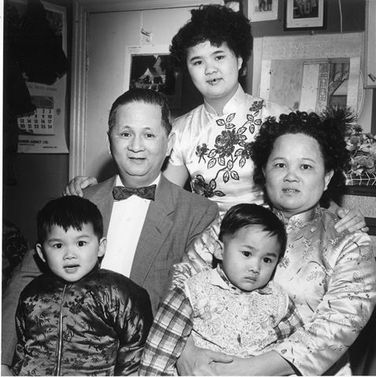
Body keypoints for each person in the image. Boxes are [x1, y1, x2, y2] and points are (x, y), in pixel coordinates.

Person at [65, 4, 366, 233]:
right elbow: (159, 197)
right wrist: (94, 191)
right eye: (198, 61)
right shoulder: (180, 130)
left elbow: (308, 178)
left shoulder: (277, 117)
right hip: (206, 243)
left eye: (219, 57)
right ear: (187, 69)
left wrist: (340, 211)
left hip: (273, 241)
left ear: (239, 60)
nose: (210, 69)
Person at [1, 88, 219, 374]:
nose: (136, 146)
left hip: (146, 362)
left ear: (170, 143)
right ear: (109, 141)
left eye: (149, 135)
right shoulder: (82, 200)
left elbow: (195, 300)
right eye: (125, 134)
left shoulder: (199, 212)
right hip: (68, 357)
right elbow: (28, 276)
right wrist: (3, 359)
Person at [148, 111, 376, 376]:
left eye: (306, 166)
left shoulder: (348, 241)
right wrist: (186, 352)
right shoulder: (234, 223)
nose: (291, 176)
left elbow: (338, 326)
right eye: (280, 165)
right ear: (263, 171)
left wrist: (248, 370)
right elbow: (181, 279)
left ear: (327, 178)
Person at [139, 203, 304, 375]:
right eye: (247, 254)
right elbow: (158, 356)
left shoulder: (279, 300)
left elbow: (298, 350)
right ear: (219, 250)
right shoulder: (192, 292)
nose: (256, 267)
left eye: (267, 260)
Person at [10, 195, 153, 376]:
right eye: (58, 245)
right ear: (41, 253)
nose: (70, 254)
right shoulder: (32, 294)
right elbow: (23, 348)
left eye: (81, 243)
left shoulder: (117, 292)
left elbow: (136, 349)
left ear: (100, 247)